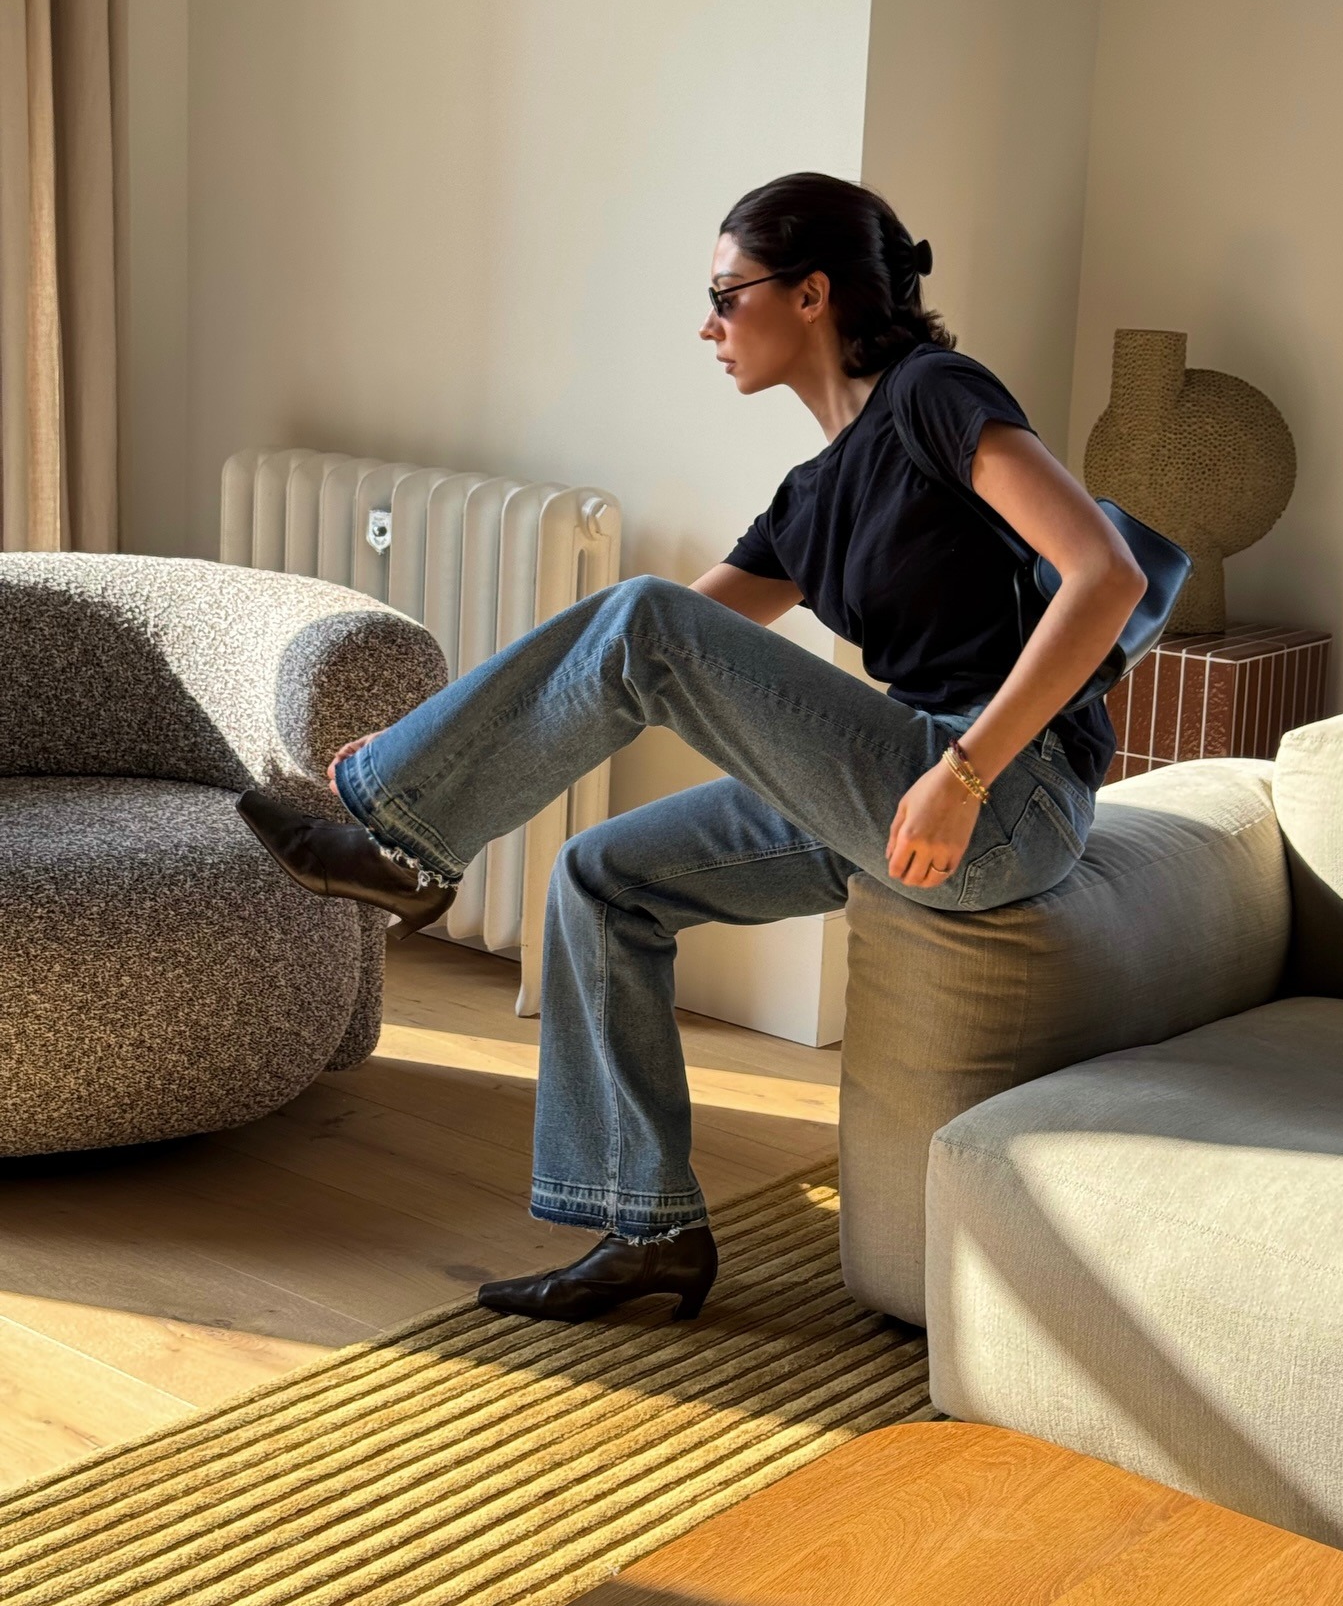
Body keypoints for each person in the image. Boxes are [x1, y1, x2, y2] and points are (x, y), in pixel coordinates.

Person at [237, 171, 1145, 1327]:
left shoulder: (933, 395)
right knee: (599, 878)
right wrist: (434, 732)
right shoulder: (810, 497)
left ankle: (404, 843)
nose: (708, 326)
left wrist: (964, 773)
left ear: (811, 292)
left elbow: (1102, 575)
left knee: (646, 619)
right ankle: (647, 1228)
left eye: (727, 295)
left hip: (1002, 791)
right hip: (895, 783)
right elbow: (608, 658)